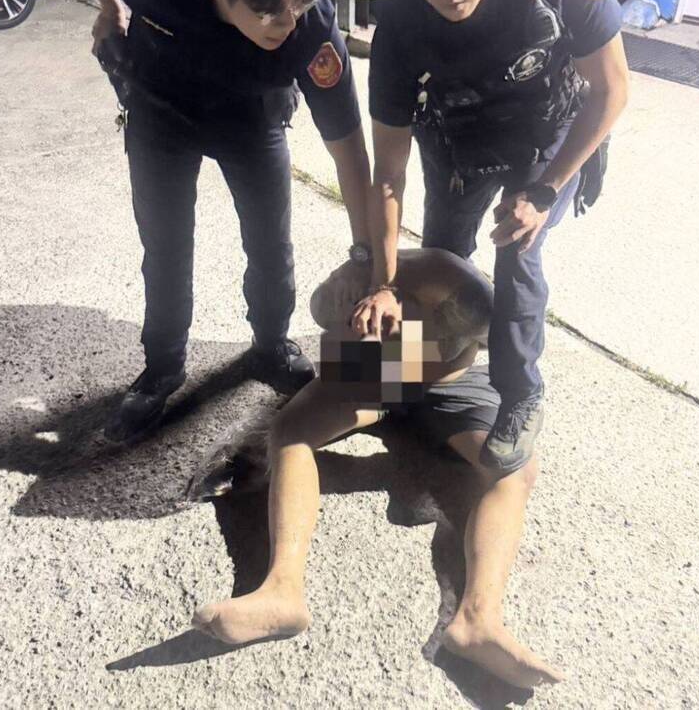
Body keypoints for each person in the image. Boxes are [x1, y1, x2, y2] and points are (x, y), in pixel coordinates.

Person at [44, 0, 373, 442]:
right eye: (268, 11)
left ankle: (270, 343)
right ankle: (162, 367)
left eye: (299, 2)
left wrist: (364, 254)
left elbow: (350, 151)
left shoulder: (311, 25)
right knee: (166, 244)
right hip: (161, 109)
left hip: (253, 117)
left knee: (271, 242)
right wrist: (110, 5)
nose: (288, 23)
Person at [353, 0, 629, 473]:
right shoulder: (400, 21)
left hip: (549, 132)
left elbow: (612, 90)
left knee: (517, 248)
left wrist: (546, 191)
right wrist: (383, 283)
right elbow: (387, 172)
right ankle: (415, 371)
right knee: (442, 258)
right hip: (460, 138)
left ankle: (519, 392)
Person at [192, 248, 564, 690]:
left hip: (451, 381)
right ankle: (280, 590)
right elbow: (322, 312)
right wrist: (350, 300)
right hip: (380, 373)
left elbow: (495, 327)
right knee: (290, 431)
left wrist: (411, 318)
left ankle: (479, 620)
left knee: (513, 466)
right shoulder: (355, 278)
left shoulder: (446, 277)